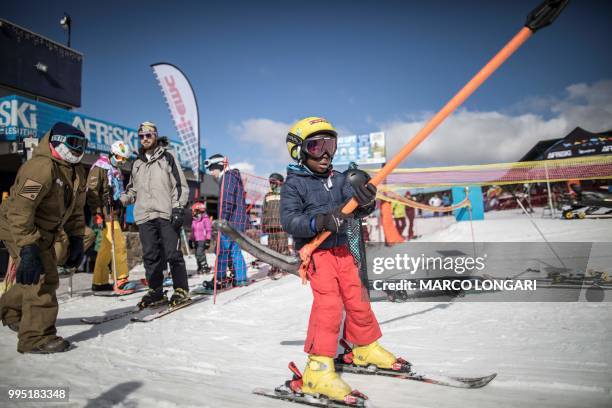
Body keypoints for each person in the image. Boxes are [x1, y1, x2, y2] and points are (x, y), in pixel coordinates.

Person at [281, 117, 403, 403]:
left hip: (344, 251)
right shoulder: (294, 185)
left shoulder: (338, 180)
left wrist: (366, 199)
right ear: (299, 151)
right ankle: (317, 370)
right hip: (318, 253)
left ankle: (364, 346)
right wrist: (320, 220)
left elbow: (357, 210)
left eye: (330, 144)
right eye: (315, 146)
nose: (325, 153)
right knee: (330, 305)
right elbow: (289, 220)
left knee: (358, 297)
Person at [0, 122, 87, 353]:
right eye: (73, 143)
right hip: (16, 224)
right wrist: (28, 247)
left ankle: (10, 311)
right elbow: (20, 210)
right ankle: (35, 338)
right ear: (56, 141)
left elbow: (76, 209)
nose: (78, 149)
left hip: (45, 229)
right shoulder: (40, 167)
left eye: (82, 144)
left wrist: (77, 237)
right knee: (41, 276)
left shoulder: (75, 171)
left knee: (34, 276)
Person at [120, 121, 190, 308]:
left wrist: (178, 208)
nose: (145, 139)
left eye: (148, 135)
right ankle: (156, 291)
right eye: (141, 136)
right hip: (144, 215)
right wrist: (121, 199)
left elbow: (180, 186)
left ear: (156, 135)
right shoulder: (136, 163)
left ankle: (181, 290)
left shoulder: (168, 157)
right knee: (150, 256)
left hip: (166, 213)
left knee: (172, 253)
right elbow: (132, 190)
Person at [196, 154, 248, 292]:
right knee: (234, 250)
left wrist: (221, 221)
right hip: (236, 221)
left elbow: (227, 201)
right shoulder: (232, 177)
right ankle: (240, 279)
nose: (211, 172)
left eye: (212, 168)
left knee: (222, 250)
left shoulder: (228, 178)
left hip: (230, 222)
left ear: (219, 166)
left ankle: (220, 279)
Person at [87, 141, 134, 292]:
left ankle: (99, 281)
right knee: (119, 244)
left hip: (114, 213)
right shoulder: (100, 167)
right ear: (112, 154)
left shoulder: (115, 170)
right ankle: (121, 279)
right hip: (105, 213)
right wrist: (97, 213)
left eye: (124, 159)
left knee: (106, 248)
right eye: (120, 158)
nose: (122, 162)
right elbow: (92, 192)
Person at [262, 173, 289, 279]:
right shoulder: (267, 195)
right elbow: (264, 210)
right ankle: (274, 266)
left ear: (280, 183)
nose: (271, 184)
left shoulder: (285, 194)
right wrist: (264, 224)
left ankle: (285, 266)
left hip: (282, 225)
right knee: (272, 248)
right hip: (271, 226)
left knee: (282, 247)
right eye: (270, 182)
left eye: (274, 182)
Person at [190, 202, 212, 274]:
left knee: (199, 253)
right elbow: (193, 231)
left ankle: (205, 267)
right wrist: (190, 240)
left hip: (202, 239)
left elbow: (208, 230)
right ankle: (200, 267)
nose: (193, 212)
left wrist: (208, 240)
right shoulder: (194, 220)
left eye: (194, 211)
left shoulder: (205, 219)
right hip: (196, 240)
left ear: (198, 210)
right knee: (197, 254)